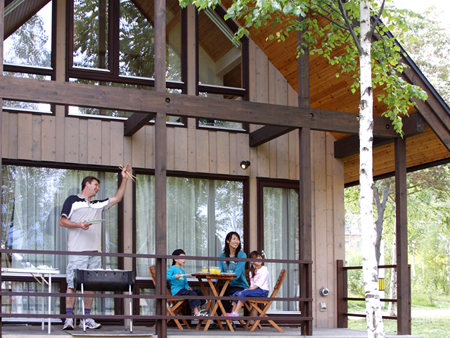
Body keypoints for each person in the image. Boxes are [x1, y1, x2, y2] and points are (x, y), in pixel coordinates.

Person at [59, 165, 132, 330]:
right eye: (95, 185)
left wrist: (125, 178)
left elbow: (117, 198)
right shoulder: (72, 200)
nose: (98, 188)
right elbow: (62, 221)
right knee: (72, 284)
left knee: (90, 285)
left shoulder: (98, 205)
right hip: (77, 250)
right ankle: (69, 318)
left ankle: (86, 318)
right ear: (87, 184)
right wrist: (78, 224)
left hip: (94, 252)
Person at [226, 250, 269, 317]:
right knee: (236, 293)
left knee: (243, 293)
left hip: (263, 291)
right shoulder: (251, 271)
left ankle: (236, 313)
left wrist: (250, 289)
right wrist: (250, 289)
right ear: (251, 261)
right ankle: (233, 312)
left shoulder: (264, 269)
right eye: (256, 258)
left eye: (260, 258)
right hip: (255, 291)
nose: (259, 260)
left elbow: (260, 282)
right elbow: (252, 284)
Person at [166, 249, 207, 316]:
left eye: (184, 258)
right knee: (191, 293)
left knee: (198, 292)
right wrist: (174, 277)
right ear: (175, 259)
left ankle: (199, 309)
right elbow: (167, 277)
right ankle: (196, 312)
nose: (184, 260)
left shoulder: (182, 271)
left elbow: (185, 283)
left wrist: (188, 287)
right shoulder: (172, 268)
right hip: (177, 291)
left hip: (183, 291)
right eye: (182, 258)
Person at [218, 232, 249, 314]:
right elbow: (219, 272)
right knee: (220, 294)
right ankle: (219, 321)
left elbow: (237, 274)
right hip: (226, 285)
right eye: (234, 239)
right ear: (228, 241)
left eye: (238, 239)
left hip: (239, 286)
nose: (237, 241)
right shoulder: (222, 256)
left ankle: (228, 320)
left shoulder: (242, 255)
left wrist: (225, 280)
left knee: (224, 293)